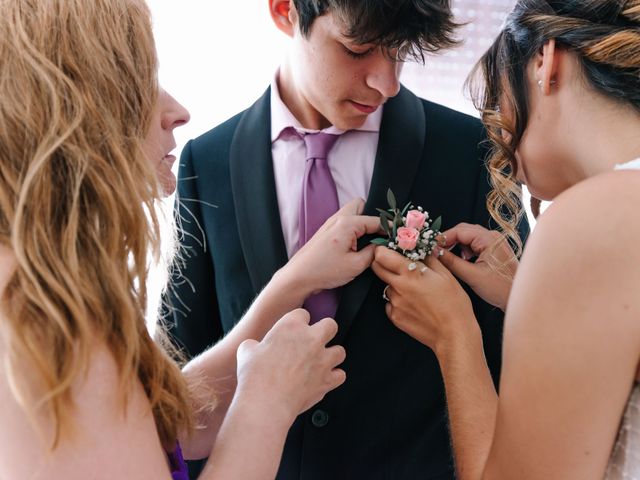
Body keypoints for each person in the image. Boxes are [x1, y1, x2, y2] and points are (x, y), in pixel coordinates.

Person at [0, 0, 381, 478]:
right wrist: (265, 406)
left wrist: (294, 281)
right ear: (66, 109)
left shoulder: (42, 279)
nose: (178, 112)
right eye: (140, 83)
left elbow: (167, 422)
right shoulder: (44, 320)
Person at [166, 0, 529, 478]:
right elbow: (179, 370)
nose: (387, 82)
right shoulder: (204, 162)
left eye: (399, 52)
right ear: (284, 12)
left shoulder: (470, 151)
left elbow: (523, 357)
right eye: (358, 50)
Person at [372, 0, 640, 478]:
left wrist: (454, 335)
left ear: (545, 61)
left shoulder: (594, 219)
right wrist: (527, 297)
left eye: (499, 99)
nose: (501, 141)